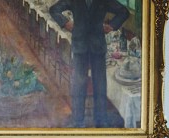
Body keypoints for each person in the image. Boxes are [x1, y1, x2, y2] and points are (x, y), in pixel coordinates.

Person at [49, 0, 130, 128]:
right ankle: (78, 121)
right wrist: (65, 23)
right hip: (80, 45)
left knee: (100, 84)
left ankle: (101, 120)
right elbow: (53, 9)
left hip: (97, 46)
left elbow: (124, 12)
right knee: (79, 84)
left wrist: (112, 26)